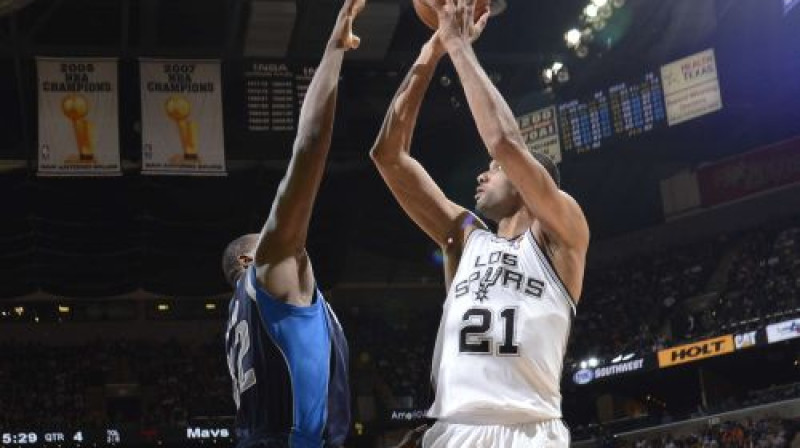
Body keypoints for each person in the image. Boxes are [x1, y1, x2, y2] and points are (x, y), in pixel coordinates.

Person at [369, 0, 590, 446]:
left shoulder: (562, 230)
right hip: (453, 430)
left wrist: (458, 44)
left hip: (528, 431)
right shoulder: (464, 236)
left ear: (532, 181)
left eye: (495, 168)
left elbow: (506, 142)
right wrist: (433, 47)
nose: (483, 173)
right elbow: (388, 156)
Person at [221, 1, 365, 446]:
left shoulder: (244, 315)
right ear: (250, 258)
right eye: (266, 240)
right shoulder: (272, 273)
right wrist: (332, 51)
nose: (283, 237)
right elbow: (308, 149)